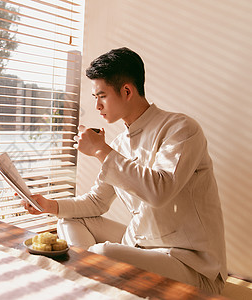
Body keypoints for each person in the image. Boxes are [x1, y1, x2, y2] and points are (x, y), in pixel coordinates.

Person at [21, 47, 227, 294]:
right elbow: (97, 201)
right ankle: (90, 282)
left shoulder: (181, 129)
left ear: (127, 91)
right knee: (69, 219)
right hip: (142, 247)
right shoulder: (119, 144)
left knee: (102, 253)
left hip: (192, 265)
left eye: (102, 96)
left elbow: (159, 192)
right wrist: (49, 205)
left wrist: (100, 151)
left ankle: (86, 281)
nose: (96, 105)